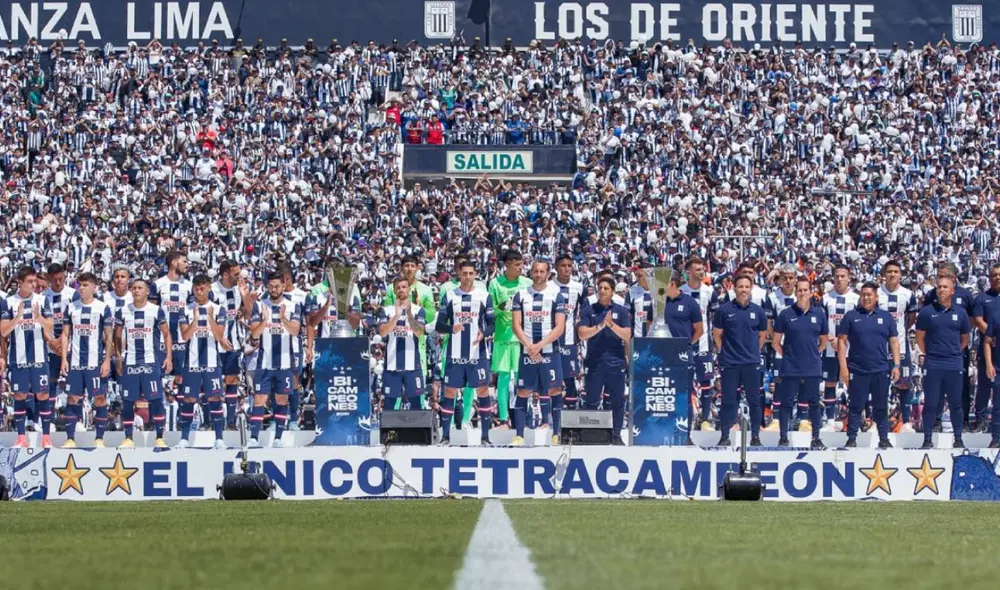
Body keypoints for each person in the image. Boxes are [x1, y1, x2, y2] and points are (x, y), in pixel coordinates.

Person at [435, 261, 495, 445]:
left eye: (471, 273)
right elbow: (439, 325)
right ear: (458, 274)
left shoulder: (485, 296)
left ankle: (485, 437)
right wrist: (451, 328)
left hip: (478, 353)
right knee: (450, 392)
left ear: (475, 274)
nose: (468, 277)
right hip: (455, 354)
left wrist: (484, 333)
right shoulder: (450, 295)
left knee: (483, 390)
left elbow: (493, 324)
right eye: (464, 273)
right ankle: (446, 437)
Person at [838, 282, 900, 449]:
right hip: (857, 369)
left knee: (881, 406)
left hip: (880, 369)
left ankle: (884, 438)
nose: (866, 298)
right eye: (863, 294)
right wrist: (843, 368)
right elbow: (841, 342)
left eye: (869, 295)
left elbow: (894, 341)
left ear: (876, 297)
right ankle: (852, 438)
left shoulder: (886, 317)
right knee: (856, 406)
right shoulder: (851, 316)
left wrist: (896, 365)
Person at [511, 259, 567, 446]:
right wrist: (530, 346)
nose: (538, 274)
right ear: (531, 273)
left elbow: (559, 327)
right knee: (524, 391)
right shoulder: (520, 295)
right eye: (535, 271)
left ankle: (556, 433)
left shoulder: (556, 295)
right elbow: (516, 325)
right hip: (528, 351)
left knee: (555, 389)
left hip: (550, 351)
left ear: (548, 273)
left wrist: (539, 345)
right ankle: (519, 435)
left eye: (542, 271)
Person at [114, 278, 173, 449]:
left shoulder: (156, 310)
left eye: (140, 288)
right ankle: (128, 438)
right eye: (133, 288)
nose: (136, 291)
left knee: (155, 399)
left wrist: (168, 357)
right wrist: (118, 356)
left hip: (150, 361)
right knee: (127, 400)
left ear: (147, 291)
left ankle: (160, 437)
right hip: (130, 361)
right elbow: (117, 336)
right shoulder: (123, 311)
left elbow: (167, 334)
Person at [1, 266, 56, 448]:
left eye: (35, 281)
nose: (34, 285)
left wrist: (39, 317)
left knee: (42, 394)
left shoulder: (42, 300)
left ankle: (46, 438)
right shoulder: (8, 302)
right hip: (18, 359)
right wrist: (17, 318)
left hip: (40, 358)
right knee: (20, 395)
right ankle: (21, 438)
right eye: (30, 282)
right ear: (20, 282)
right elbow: (3, 331)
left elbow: (50, 327)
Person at [248, 271, 303, 448]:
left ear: (283, 286)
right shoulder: (259, 305)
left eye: (277, 286)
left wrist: (282, 318)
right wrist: (265, 320)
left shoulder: (293, 305)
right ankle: (254, 438)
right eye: (270, 286)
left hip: (286, 363)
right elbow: (254, 333)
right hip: (263, 363)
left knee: (282, 400)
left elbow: (295, 331)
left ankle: (278, 437)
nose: (274, 289)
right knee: (259, 400)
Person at [915, 275, 971, 449]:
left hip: (954, 363)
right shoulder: (926, 312)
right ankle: (927, 439)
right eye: (939, 287)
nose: (941, 290)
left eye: (945, 287)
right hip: (933, 363)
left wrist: (952, 353)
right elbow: (920, 339)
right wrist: (933, 353)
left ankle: (958, 439)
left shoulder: (961, 313)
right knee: (931, 402)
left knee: (955, 403)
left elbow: (964, 340)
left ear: (952, 290)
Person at [712, 274, 768, 446]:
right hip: (730, 363)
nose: (743, 290)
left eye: (746, 287)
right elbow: (717, 335)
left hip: (751, 363)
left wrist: (753, 352)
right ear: (734, 288)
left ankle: (756, 436)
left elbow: (762, 336)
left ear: (751, 289)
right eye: (740, 287)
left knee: (754, 401)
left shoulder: (758, 311)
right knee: (729, 401)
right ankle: (724, 436)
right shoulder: (724, 310)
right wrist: (724, 352)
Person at [772, 277, 828, 448]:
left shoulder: (819, 314)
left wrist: (812, 354)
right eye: (800, 290)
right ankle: (783, 437)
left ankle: (816, 438)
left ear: (811, 292)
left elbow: (823, 342)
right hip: (791, 367)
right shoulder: (786, 314)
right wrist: (788, 355)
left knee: (813, 403)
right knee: (786, 402)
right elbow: (775, 342)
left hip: (812, 367)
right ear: (796, 293)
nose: (802, 293)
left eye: (805, 290)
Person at [59, 273, 113, 448]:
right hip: (75, 362)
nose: (81, 288)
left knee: (99, 398)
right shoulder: (71, 307)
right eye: (79, 285)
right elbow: (65, 334)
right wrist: (63, 360)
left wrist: (106, 361)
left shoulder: (102, 308)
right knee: (73, 398)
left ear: (94, 287)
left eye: (85, 285)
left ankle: (99, 438)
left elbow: (108, 336)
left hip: (94, 362)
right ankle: (70, 439)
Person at [179, 274, 231, 449]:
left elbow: (219, 336)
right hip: (191, 362)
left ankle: (219, 439)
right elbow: (185, 336)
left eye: (202, 288)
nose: (199, 292)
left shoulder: (218, 309)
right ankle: (184, 438)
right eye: (196, 288)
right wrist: (195, 319)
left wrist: (209, 318)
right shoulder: (185, 309)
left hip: (212, 362)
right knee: (188, 399)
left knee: (215, 397)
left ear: (209, 288)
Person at [922, 262, 975, 429]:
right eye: (939, 276)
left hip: (957, 350)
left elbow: (970, 322)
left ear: (953, 277)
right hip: (936, 351)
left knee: (961, 388)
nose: (940, 281)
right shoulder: (932, 294)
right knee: (934, 389)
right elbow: (925, 321)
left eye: (944, 275)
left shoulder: (965, 295)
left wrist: (958, 347)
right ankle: (936, 420)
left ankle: (963, 421)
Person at [578, 275, 630, 445]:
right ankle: (591, 434)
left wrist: (612, 325)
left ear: (613, 292)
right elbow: (582, 333)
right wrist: (600, 325)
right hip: (594, 361)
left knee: (617, 401)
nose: (602, 291)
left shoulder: (621, 311)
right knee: (592, 400)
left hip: (616, 360)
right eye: (599, 288)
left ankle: (616, 435)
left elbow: (628, 335)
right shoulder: (589, 310)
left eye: (606, 288)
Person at [383, 254, 437, 408]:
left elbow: (431, 315)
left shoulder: (425, 289)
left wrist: (417, 308)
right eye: (406, 265)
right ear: (402, 268)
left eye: (413, 265)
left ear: (418, 268)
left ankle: (416, 427)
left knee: (416, 392)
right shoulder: (390, 288)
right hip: (395, 341)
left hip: (416, 342)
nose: (409, 269)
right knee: (394, 394)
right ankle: (394, 429)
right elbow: (386, 310)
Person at [489, 250, 532, 427]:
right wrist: (501, 306)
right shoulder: (495, 284)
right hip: (503, 336)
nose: (521, 267)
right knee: (504, 378)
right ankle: (504, 418)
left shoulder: (527, 283)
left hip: (525, 337)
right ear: (506, 265)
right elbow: (490, 310)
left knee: (525, 378)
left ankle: (524, 416)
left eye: (521, 264)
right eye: (516, 264)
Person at [211, 259, 254, 429]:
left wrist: (245, 298)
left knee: (232, 381)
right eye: (236, 274)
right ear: (225, 274)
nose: (239, 277)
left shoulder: (239, 289)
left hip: (234, 344)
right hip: (213, 345)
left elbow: (247, 314)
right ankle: (212, 422)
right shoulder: (212, 290)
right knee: (213, 384)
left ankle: (230, 422)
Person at [878, 260, 919, 429]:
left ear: (900, 274)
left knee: (904, 384)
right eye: (889, 271)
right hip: (878, 348)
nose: (892, 274)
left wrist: (898, 333)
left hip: (901, 347)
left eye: (895, 271)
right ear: (883, 274)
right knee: (879, 386)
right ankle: (876, 422)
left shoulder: (908, 294)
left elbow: (910, 320)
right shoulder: (876, 293)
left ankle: (907, 422)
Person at [378, 276, 427, 413]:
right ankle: (389, 434)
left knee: (416, 404)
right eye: (398, 287)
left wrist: (409, 314)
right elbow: (382, 332)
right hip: (392, 366)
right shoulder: (387, 310)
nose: (401, 290)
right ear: (394, 291)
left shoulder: (418, 310)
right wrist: (397, 316)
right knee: (389, 404)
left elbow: (419, 332)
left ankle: (416, 434)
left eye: (404, 287)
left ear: (409, 289)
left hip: (413, 366)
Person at [662, 274, 703, 438]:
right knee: (664, 394)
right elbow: (650, 326)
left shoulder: (689, 302)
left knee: (683, 395)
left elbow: (699, 330)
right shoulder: (658, 302)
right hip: (661, 355)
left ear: (672, 283)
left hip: (683, 355)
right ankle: (663, 431)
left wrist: (686, 346)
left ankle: (685, 434)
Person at [819, 265, 859, 428]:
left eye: (843, 276)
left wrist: (844, 341)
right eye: (837, 276)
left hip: (851, 349)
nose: (840, 279)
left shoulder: (856, 299)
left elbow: (859, 324)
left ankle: (854, 419)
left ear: (849, 277)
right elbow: (821, 323)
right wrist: (831, 339)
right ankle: (829, 420)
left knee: (853, 383)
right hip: (830, 348)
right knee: (830, 382)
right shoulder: (825, 298)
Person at [681, 256, 719, 427]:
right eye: (697, 269)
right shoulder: (680, 291)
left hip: (704, 344)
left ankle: (705, 420)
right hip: (684, 345)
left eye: (702, 268)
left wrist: (716, 343)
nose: (702, 271)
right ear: (688, 272)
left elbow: (715, 320)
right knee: (684, 382)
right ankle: (684, 418)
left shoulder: (710, 292)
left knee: (706, 382)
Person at [151, 251, 193, 396]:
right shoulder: (157, 284)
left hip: (182, 341)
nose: (187, 265)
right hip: (162, 341)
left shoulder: (189, 286)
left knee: (182, 380)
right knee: (158, 378)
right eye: (184, 261)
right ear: (174, 263)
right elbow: (151, 313)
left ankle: (182, 415)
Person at [765, 263, 798, 422]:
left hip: (799, 347)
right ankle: (776, 418)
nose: (788, 281)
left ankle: (800, 418)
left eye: (791, 278)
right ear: (780, 279)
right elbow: (769, 324)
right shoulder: (772, 298)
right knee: (779, 381)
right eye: (785, 278)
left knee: (800, 382)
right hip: (780, 348)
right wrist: (776, 343)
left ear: (795, 279)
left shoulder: (802, 295)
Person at [551, 254, 585, 411]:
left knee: (570, 379)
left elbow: (583, 313)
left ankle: (571, 414)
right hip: (550, 341)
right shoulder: (549, 286)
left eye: (569, 265)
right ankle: (552, 415)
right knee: (551, 378)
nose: (567, 269)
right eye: (563, 265)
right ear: (557, 267)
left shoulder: (579, 287)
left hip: (570, 340)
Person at [279, 263, 310, 430]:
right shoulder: (270, 295)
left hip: (294, 345)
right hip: (275, 345)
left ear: (288, 279)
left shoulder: (301, 296)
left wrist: (308, 346)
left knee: (293, 382)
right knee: (277, 383)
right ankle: (279, 419)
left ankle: (292, 419)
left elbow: (309, 322)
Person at [42, 263, 79, 404]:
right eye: (54, 280)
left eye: (61, 279)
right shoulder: (43, 297)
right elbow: (41, 324)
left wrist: (64, 342)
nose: (58, 283)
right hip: (50, 347)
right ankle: (47, 419)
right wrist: (52, 342)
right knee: (50, 383)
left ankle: (76, 419)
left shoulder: (73, 294)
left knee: (72, 383)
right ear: (48, 279)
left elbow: (77, 321)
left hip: (69, 347)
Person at [971, 263, 1000, 432]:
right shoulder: (982, 298)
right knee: (984, 384)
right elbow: (978, 320)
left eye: (999, 274)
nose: (997, 277)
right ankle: (981, 419)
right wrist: (993, 335)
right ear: (989, 278)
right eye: (994, 275)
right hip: (988, 348)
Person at [980, 309, 1000, 448]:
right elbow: (987, 341)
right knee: (998, 406)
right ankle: (997, 438)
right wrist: (989, 364)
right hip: (999, 368)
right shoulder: (996, 315)